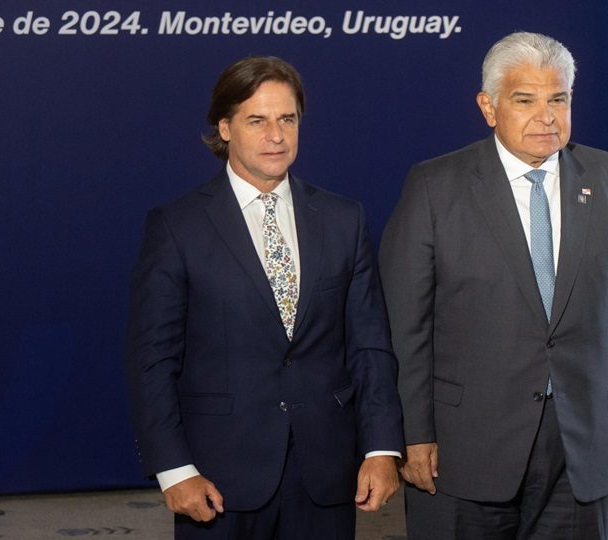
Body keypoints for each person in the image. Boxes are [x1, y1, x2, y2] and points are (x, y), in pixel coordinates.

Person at [379, 32, 608, 539]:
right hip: (464, 449)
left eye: (558, 99)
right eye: (525, 100)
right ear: (489, 107)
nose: (546, 116)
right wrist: (413, 433)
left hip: (581, 445)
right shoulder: (433, 188)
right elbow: (406, 327)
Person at [124, 56, 404, 540]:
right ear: (225, 127)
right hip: (217, 480)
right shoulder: (177, 226)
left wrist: (381, 449)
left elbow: (370, 347)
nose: (276, 135)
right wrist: (173, 468)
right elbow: (152, 358)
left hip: (325, 476)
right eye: (257, 120)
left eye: (287, 119)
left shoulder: (343, 220)